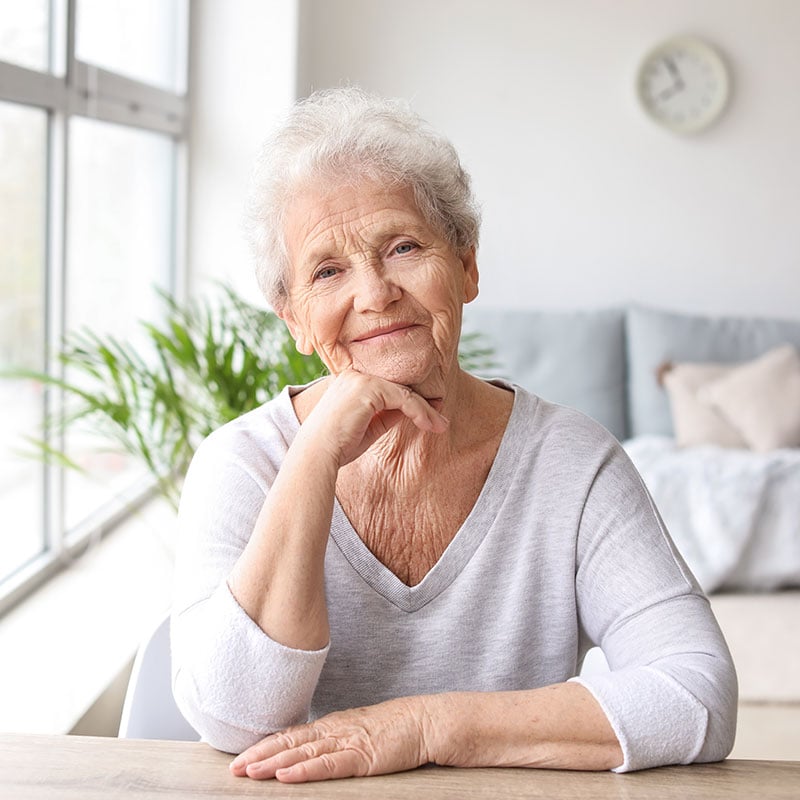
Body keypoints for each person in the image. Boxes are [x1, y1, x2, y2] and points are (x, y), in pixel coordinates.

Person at [171, 87, 737, 784]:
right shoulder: (243, 462)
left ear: (466, 265)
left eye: (403, 247)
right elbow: (233, 716)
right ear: (293, 317)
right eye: (328, 271)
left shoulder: (571, 463)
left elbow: (696, 694)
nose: (375, 294)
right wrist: (313, 457)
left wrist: (424, 726)